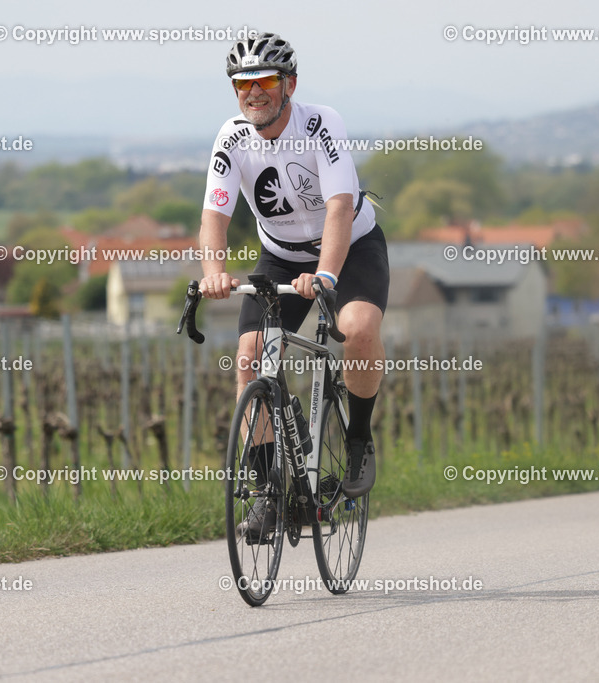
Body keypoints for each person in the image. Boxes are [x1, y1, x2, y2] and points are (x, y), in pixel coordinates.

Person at [198, 32, 389, 537]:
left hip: (350, 247)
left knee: (359, 327)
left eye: (263, 81)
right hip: (281, 258)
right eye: (242, 84)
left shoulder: (321, 123)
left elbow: (339, 207)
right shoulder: (231, 137)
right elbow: (214, 216)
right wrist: (213, 272)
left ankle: (358, 442)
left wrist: (326, 273)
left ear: (289, 84)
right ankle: (267, 495)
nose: (252, 92)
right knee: (250, 356)